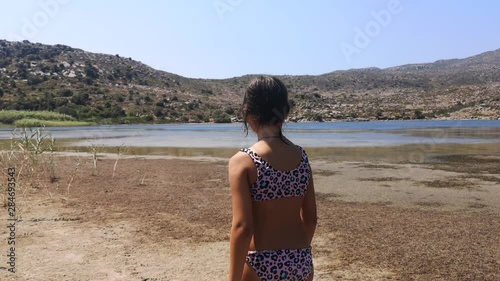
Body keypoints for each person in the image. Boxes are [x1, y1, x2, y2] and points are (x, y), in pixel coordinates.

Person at [228, 76, 317, 281]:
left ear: (249, 115)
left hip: (261, 263)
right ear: (284, 113)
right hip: (301, 260)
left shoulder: (244, 161)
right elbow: (310, 218)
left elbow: (243, 227)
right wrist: (294, 256)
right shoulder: (301, 157)